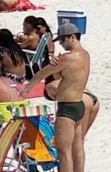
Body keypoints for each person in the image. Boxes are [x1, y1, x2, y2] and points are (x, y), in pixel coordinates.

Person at [19, 22, 92, 172]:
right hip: (79, 104)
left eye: (62, 40)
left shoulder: (67, 58)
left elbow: (42, 74)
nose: (61, 44)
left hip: (67, 108)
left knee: (63, 153)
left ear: (72, 37)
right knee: (77, 147)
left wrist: (27, 89)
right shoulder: (86, 55)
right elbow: (65, 76)